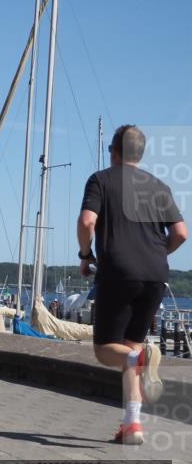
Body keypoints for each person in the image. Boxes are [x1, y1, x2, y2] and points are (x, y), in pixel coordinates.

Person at [77, 125, 187, 445]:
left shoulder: (101, 180)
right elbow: (181, 233)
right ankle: (132, 425)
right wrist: (158, 255)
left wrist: (85, 255)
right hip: (156, 275)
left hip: (118, 273)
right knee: (131, 349)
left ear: (114, 151)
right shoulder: (159, 187)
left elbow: (87, 222)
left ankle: (140, 360)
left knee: (105, 350)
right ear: (140, 154)